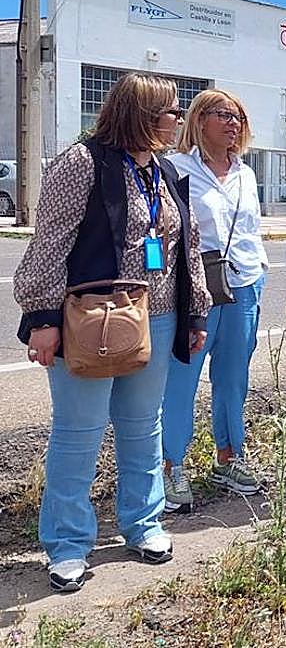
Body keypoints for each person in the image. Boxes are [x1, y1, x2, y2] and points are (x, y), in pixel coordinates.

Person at [15, 72, 210, 592]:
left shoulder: (165, 170)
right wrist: (41, 319)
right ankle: (67, 544)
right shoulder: (83, 163)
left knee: (142, 425)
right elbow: (50, 243)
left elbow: (183, 245)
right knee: (78, 433)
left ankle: (143, 523)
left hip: (158, 316)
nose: (177, 120)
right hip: (90, 318)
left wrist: (194, 314)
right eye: (171, 111)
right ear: (143, 115)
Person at [162, 89, 268, 513]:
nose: (232, 123)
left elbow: (251, 229)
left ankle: (229, 457)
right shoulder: (176, 168)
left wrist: (258, 266)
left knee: (233, 378)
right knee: (181, 379)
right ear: (199, 119)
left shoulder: (246, 173)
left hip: (243, 285)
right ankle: (170, 464)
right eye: (223, 115)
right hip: (195, 289)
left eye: (238, 117)